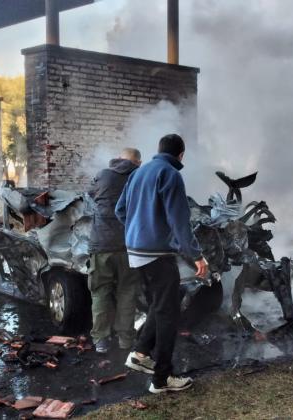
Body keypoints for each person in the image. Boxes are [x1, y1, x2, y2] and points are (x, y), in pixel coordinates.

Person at [115, 134, 209, 394]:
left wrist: (138, 231)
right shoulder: (171, 174)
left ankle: (140, 353)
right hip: (157, 255)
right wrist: (197, 256)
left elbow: (119, 211)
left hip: (136, 254)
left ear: (158, 150)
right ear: (181, 155)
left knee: (160, 303)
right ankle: (161, 379)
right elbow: (180, 222)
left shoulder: (139, 172)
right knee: (169, 315)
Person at [88, 148, 143, 353]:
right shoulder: (140, 177)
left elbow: (90, 196)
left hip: (101, 244)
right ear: (138, 162)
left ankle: (101, 340)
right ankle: (126, 341)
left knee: (100, 292)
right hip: (130, 245)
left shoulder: (102, 175)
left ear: (119, 158)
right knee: (127, 293)